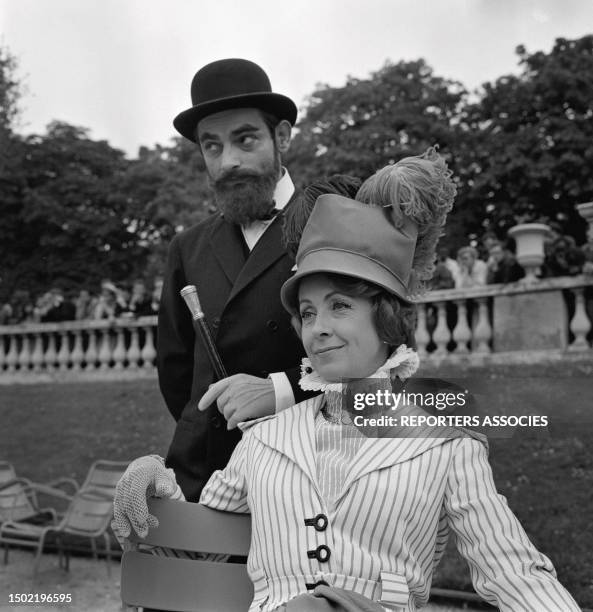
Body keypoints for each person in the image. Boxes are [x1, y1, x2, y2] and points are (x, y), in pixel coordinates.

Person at [114, 148, 580, 611]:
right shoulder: (263, 439)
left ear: (386, 318)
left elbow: (514, 571)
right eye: (308, 311)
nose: (318, 327)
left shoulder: (446, 443)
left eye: (340, 306)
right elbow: (199, 535)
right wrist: (155, 481)